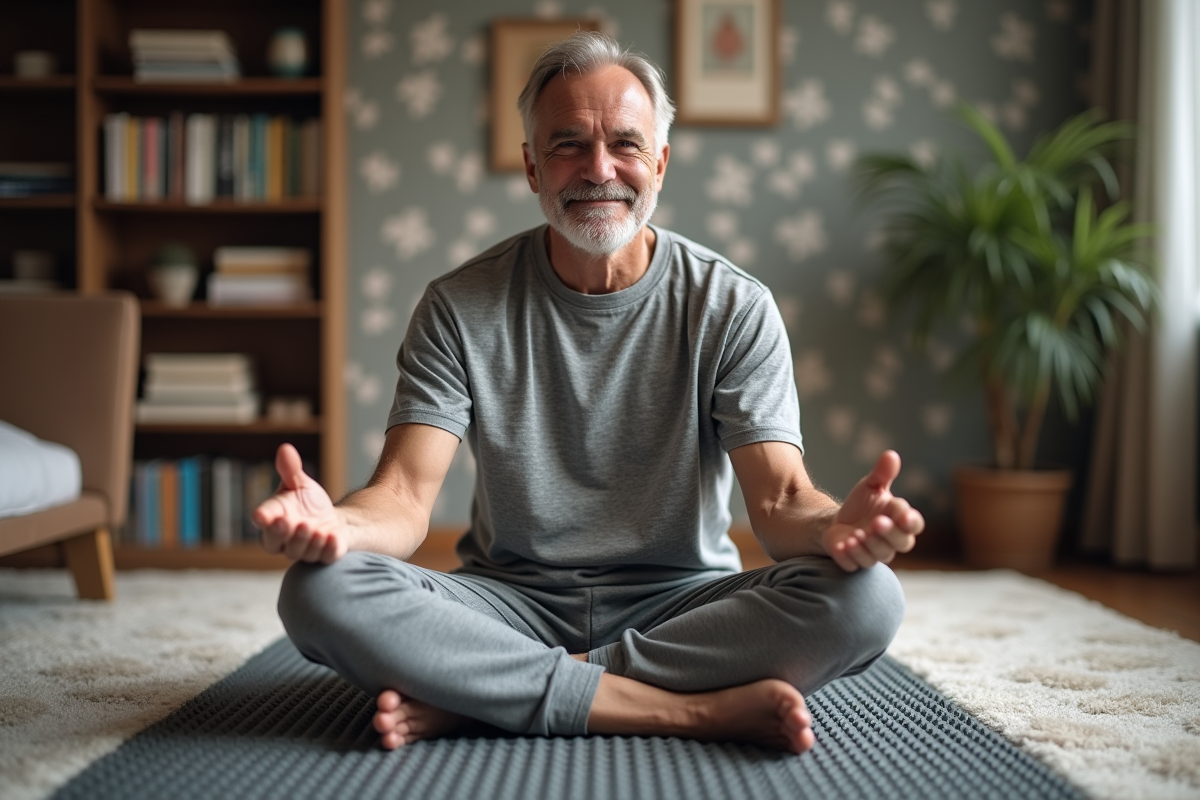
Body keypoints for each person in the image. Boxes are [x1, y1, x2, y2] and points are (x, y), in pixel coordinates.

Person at [255, 31, 924, 755]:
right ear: (532, 167)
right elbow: (404, 498)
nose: (599, 169)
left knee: (868, 598)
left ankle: (486, 699)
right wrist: (341, 531)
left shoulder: (734, 306)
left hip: (681, 605)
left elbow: (782, 501)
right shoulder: (458, 305)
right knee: (317, 591)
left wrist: (835, 530)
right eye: (568, 144)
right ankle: (681, 711)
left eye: (625, 145)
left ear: (660, 164)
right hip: (508, 603)